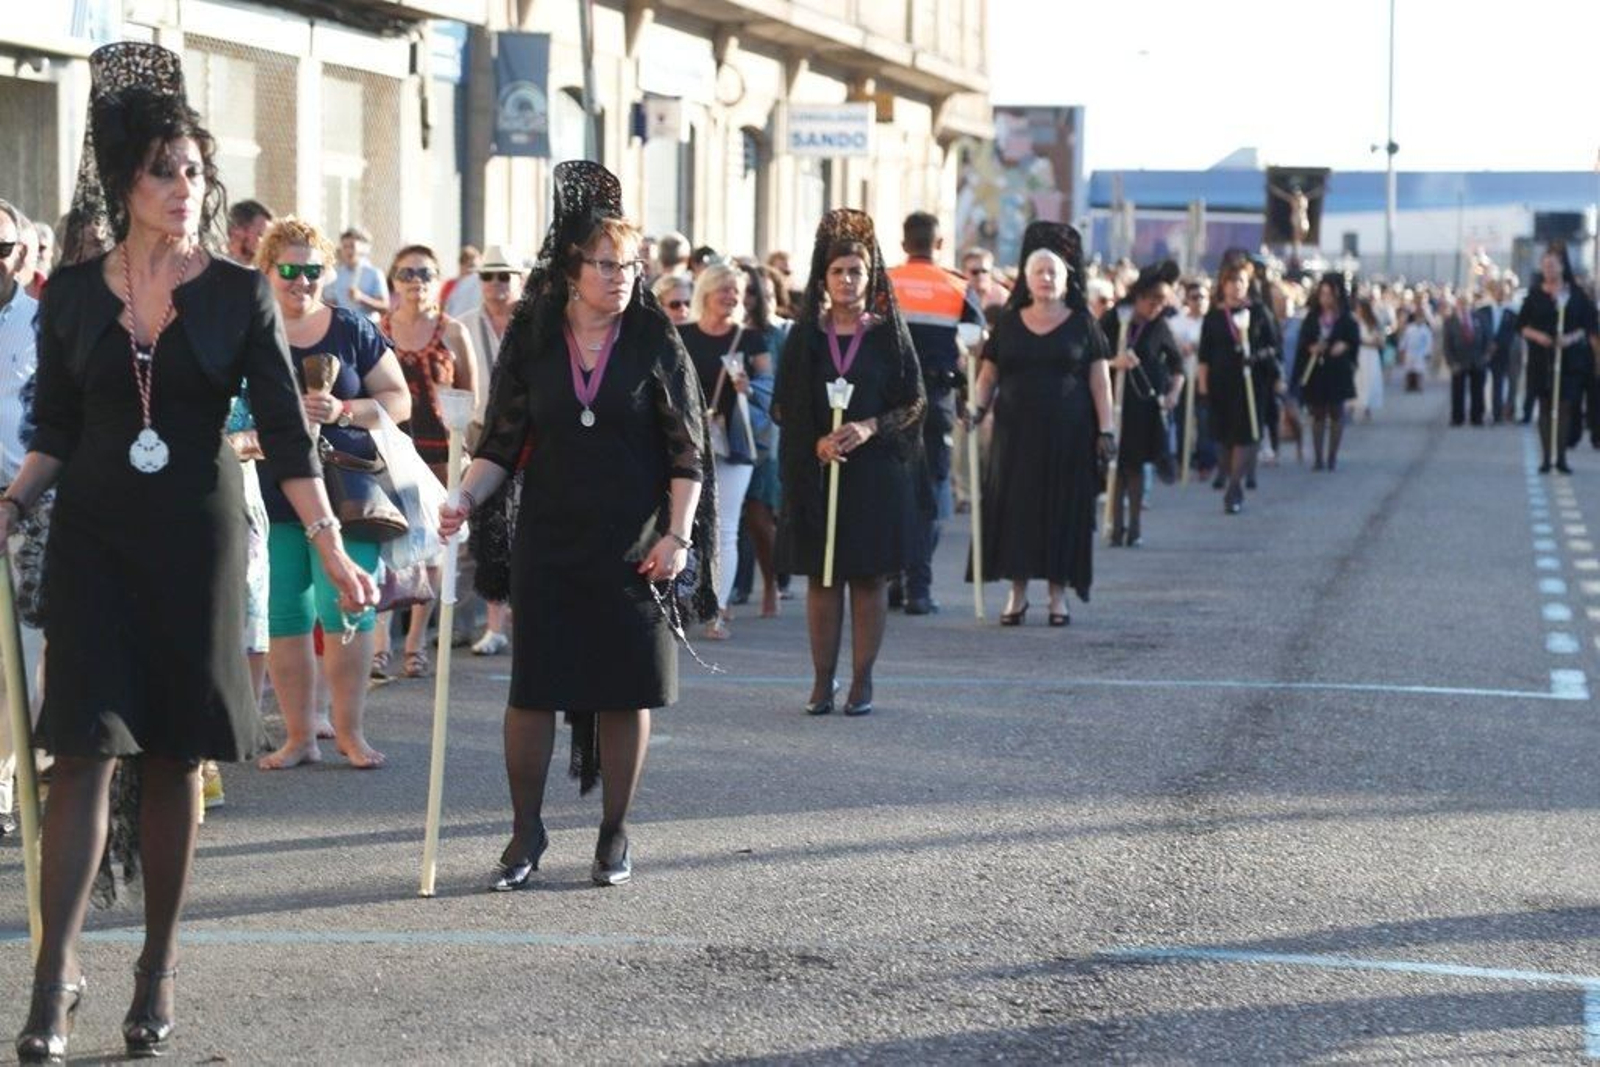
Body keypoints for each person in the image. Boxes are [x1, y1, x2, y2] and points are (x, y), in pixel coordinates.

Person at [6, 42, 377, 1064]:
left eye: (195, 170)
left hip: (200, 535)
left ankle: (156, 966)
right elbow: (53, 425)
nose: (185, 187)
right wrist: (12, 500)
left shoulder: (236, 293)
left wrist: (332, 545)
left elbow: (291, 438)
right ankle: (56, 975)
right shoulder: (73, 293)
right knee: (77, 749)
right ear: (125, 178)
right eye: (165, 169)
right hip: (93, 534)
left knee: (173, 751)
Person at [439, 160, 716, 890]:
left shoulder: (654, 338)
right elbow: (500, 443)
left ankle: (614, 830)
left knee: (627, 687)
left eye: (629, 263)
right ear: (571, 264)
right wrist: (464, 500)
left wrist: (678, 537)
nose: (620, 276)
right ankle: (525, 831)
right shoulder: (534, 337)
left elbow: (689, 452)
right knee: (533, 688)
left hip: (637, 542)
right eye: (605, 263)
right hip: (552, 538)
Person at [254, 217, 410, 770]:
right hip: (270, 489)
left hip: (344, 487)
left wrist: (344, 409)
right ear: (267, 270)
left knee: (348, 605)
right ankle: (299, 736)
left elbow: (398, 400)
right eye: (290, 271)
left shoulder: (351, 328)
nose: (302, 282)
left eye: (312, 271)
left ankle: (350, 733)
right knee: (284, 613)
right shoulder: (253, 329)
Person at [775, 209, 924, 716]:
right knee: (822, 576)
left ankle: (862, 681)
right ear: (824, 278)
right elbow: (786, 403)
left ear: (870, 277)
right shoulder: (806, 337)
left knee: (867, 576)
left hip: (874, 472)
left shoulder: (886, 335)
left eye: (855, 272)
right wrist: (814, 440)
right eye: (837, 272)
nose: (846, 280)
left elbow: (913, 401)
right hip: (819, 471)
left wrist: (868, 427)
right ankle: (822, 681)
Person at [966, 222, 1112, 625]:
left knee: (1061, 510)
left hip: (1070, 436)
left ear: (1066, 280)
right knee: (1018, 511)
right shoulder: (1009, 324)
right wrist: (976, 409)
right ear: (1026, 281)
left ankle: (1057, 596)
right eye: (1038, 272)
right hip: (1015, 437)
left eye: (1054, 272)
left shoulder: (1084, 324)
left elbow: (1100, 383)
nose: (1046, 278)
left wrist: (1107, 430)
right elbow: (987, 377)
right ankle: (1017, 593)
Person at [379, 244, 478, 677]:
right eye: (406, 273)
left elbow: (468, 395)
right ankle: (381, 641)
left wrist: (468, 447)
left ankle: (415, 644)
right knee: (388, 544)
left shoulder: (453, 331)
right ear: (393, 281)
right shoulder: (375, 329)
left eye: (425, 272)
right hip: (392, 448)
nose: (416, 281)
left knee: (435, 550)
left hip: (441, 451)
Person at [888, 210, 980, 616]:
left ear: (905, 243)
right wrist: (967, 397)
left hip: (887, 400)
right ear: (940, 245)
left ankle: (891, 578)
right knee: (930, 494)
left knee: (890, 490)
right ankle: (917, 590)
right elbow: (977, 345)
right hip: (936, 399)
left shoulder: (885, 281)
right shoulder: (957, 285)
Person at [676, 261, 768, 639]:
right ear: (706, 293)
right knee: (684, 525)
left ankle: (718, 608)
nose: (731, 297)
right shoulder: (682, 335)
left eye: (737, 291)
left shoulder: (750, 339)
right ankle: (680, 603)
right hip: (685, 442)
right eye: (724, 290)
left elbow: (769, 388)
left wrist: (750, 386)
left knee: (726, 527)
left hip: (734, 443)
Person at [456, 244, 523, 655]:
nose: (496, 284)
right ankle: (491, 624)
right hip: (482, 433)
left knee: (525, 527)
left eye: (504, 275)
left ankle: (521, 617)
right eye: (488, 276)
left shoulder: (537, 324)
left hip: (530, 435)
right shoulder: (464, 324)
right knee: (489, 529)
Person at [0, 198, 39, 840]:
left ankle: (2, 776)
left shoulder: (46, 323)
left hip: (26, 502)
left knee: (24, 660)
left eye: (1, 248)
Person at [1101, 260, 1183, 546]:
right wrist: (1115, 362)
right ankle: (1115, 525)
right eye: (1153, 300)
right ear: (1139, 296)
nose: (1157, 307)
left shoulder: (1159, 326)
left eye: (1163, 301)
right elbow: (1093, 359)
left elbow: (1177, 366)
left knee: (1136, 465)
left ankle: (1135, 525)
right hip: (1113, 402)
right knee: (1116, 465)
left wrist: (1173, 394)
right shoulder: (1114, 320)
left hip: (1144, 406)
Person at [731, 261, 790, 617]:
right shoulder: (721, 328)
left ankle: (770, 583)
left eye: (751, 290)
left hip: (764, 432)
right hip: (723, 429)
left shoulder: (772, 334)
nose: (745, 298)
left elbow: (778, 386)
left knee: (758, 515)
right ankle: (729, 590)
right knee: (724, 520)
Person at [1198, 256, 1278, 513]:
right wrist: (1203, 384)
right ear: (1223, 284)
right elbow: (1204, 354)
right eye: (1230, 281)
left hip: (1250, 383)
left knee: (1245, 433)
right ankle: (1228, 472)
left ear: (1248, 283)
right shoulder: (1213, 317)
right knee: (1223, 437)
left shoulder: (1258, 312)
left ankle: (1234, 487)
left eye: (1240, 281)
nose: (1235, 286)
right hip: (1221, 383)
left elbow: (1272, 346)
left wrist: (1255, 357)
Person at [1519, 242, 1597, 474]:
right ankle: (1546, 457)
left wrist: (1571, 338)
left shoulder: (1576, 295)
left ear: (1562, 267)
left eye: (1552, 265)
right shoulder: (1534, 295)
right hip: (1542, 360)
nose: (1549, 270)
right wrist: (1539, 336)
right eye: (1545, 266)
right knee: (1545, 407)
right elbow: (1521, 325)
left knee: (1564, 407)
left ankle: (1560, 456)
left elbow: (1588, 324)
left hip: (1568, 360)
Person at [1292, 273, 1361, 469]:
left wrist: (1344, 346)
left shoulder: (1346, 319)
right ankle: (1318, 457)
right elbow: (1304, 340)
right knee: (1318, 413)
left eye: (1330, 294)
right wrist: (1311, 347)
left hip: (1337, 371)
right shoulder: (1313, 317)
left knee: (1336, 412)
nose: (1326, 299)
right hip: (1317, 371)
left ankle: (1332, 456)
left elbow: (1353, 340)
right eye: (1322, 294)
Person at [1444, 291, 1489, 427]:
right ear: (1456, 304)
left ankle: (1477, 417)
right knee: (1458, 391)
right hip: (1459, 360)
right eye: (1460, 303)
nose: (1463, 306)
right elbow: (1447, 345)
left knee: (1478, 390)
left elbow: (1486, 337)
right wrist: (1451, 362)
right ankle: (1457, 418)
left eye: (1466, 303)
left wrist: (1485, 356)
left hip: (1477, 359)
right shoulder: (1450, 321)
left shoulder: (1479, 317)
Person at [331, 225, 388, 324]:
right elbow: (333, 303)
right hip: (343, 328)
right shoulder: (336, 274)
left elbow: (385, 306)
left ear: (362, 248)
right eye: (345, 247)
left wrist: (362, 298)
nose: (349, 251)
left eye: (352, 246)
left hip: (368, 328)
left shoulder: (374, 273)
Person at [1483, 278, 1519, 425]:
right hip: (1485, 352)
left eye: (1502, 291)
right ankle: (1480, 411)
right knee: (1482, 383)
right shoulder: (1483, 310)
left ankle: (1498, 414)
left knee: (1499, 383)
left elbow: (1511, 333)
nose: (1500, 294)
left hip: (1502, 352)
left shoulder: (1511, 313)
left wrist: (1497, 344)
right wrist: (1487, 345)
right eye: (1497, 291)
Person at [1353, 296, 1386, 422]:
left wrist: (1364, 343)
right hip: (1359, 355)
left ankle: (1367, 406)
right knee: (1358, 379)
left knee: (1369, 380)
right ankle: (1356, 405)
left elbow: (1379, 342)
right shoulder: (1355, 323)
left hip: (1369, 355)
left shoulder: (1372, 324)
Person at [224, 199, 272, 266]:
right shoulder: (214, 270)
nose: (266, 243)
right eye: (260, 234)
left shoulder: (267, 272)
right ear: (236, 231)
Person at [963, 247, 1011, 311]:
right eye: (975, 272)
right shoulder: (959, 295)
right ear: (964, 273)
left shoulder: (1001, 296)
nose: (980, 275)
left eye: (984, 271)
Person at [440, 243, 482, 316]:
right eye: (470, 266)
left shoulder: (482, 283)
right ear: (461, 265)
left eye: (476, 267)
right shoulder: (450, 284)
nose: (473, 271)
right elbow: (442, 308)